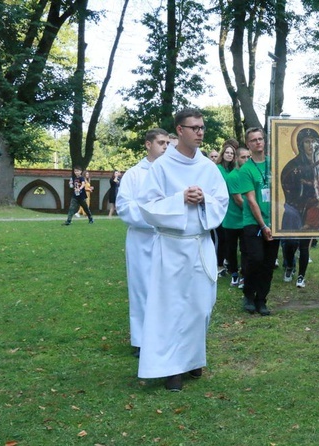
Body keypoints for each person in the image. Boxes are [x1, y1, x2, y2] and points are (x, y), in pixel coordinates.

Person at [136, 108, 228, 391]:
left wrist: (203, 201)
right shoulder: (161, 167)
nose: (200, 132)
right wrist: (180, 200)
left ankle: (192, 359)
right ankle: (171, 369)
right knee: (171, 308)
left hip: (199, 243)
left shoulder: (208, 168)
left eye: (202, 127)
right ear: (179, 130)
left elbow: (221, 202)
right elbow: (147, 205)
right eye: (194, 128)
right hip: (172, 247)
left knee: (201, 306)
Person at [116, 128, 169, 358]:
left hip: (167, 238)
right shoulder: (134, 175)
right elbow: (125, 207)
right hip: (141, 238)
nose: (165, 147)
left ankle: (164, 335)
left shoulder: (171, 172)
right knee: (141, 288)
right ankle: (140, 339)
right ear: (148, 145)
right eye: (160, 143)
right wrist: (154, 218)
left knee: (166, 289)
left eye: (168, 143)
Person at [237, 127, 280, 316]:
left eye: (260, 139)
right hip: (253, 222)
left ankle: (261, 299)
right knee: (255, 259)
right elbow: (252, 200)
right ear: (248, 144)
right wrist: (263, 226)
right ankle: (248, 294)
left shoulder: (274, 164)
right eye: (253, 140)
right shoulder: (246, 169)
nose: (258, 142)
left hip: (276, 221)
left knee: (269, 263)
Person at [226, 147, 251, 287]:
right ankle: (234, 274)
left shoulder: (248, 173)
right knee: (231, 249)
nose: (246, 160)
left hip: (245, 220)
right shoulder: (233, 176)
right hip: (232, 219)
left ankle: (244, 275)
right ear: (236, 158)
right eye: (243, 157)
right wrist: (255, 211)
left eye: (248, 157)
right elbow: (239, 200)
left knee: (246, 249)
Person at [216, 139, 240, 280]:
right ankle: (220, 264)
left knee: (228, 240)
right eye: (227, 152)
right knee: (222, 238)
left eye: (232, 153)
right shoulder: (217, 168)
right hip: (221, 207)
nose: (229, 155)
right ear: (223, 153)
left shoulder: (232, 170)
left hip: (231, 206)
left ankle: (229, 265)